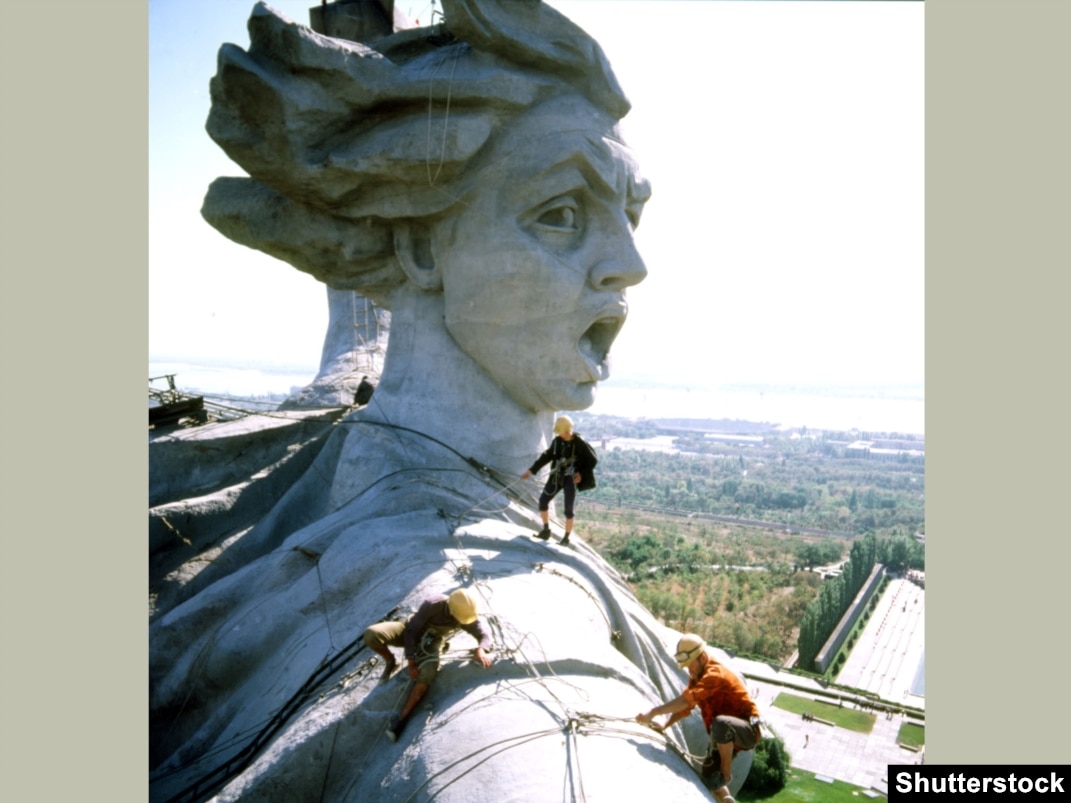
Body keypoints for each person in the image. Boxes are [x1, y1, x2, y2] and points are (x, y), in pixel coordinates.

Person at [636, 634, 762, 802]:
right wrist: (664, 726)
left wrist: (653, 713)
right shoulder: (697, 677)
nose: (689, 670)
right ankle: (726, 798)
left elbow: (683, 702)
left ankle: (726, 771)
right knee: (709, 778)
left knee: (720, 724)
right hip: (725, 735)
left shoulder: (714, 674)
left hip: (747, 730)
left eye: (691, 665)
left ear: (702, 657)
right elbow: (685, 706)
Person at [363, 588, 493, 741]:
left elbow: (484, 634)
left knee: (428, 671)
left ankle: (402, 719)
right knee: (371, 634)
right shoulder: (433, 603)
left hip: (433, 639)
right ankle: (391, 661)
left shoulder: (465, 612)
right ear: (450, 607)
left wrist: (482, 649)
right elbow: (411, 631)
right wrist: (411, 661)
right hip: (409, 630)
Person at [521, 415, 597, 545]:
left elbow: (592, 460)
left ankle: (566, 538)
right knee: (543, 501)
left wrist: (582, 474)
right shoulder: (557, 442)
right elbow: (547, 456)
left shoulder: (579, 443)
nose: (560, 434)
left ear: (568, 430)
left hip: (570, 478)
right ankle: (546, 531)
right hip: (557, 476)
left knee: (568, 510)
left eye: (561, 432)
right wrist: (532, 470)